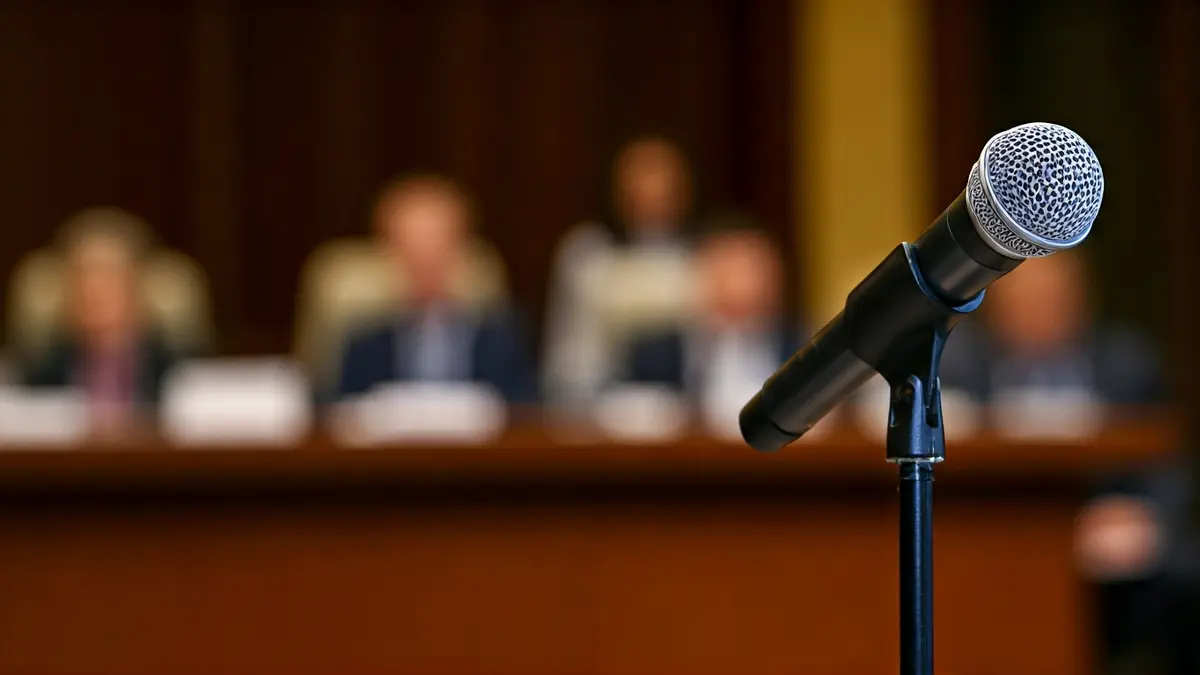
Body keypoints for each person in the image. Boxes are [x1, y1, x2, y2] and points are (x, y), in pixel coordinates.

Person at [334, 175, 537, 404]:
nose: (425, 259)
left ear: (462, 246)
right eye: (412, 247)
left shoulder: (503, 342)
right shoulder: (363, 347)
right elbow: (337, 412)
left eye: (436, 243)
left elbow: (527, 410)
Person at [542, 136, 697, 406]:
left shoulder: (703, 255)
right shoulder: (586, 252)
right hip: (595, 399)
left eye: (661, 181)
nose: (651, 193)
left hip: (684, 401)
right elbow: (571, 355)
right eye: (640, 179)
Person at [17, 208, 185, 437]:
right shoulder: (37, 373)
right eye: (82, 278)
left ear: (138, 289)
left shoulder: (179, 372)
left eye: (108, 276)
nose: (94, 291)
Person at [940, 251, 1164, 406]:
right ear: (995, 308)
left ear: (1082, 301)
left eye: (1052, 302)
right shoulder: (959, 362)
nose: (1038, 318)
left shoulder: (1125, 366)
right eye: (1027, 302)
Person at [619, 216, 801, 406]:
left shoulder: (802, 350)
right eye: (726, 267)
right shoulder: (654, 354)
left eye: (749, 269)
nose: (738, 284)